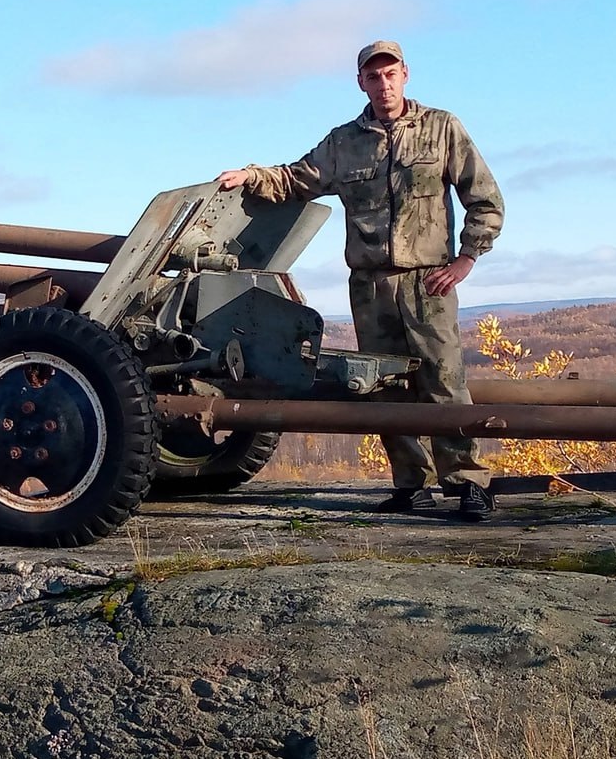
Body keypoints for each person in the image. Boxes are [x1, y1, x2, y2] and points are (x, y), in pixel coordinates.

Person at [216, 40, 504, 520]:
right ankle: (411, 484)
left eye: (390, 74)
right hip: (370, 286)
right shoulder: (345, 142)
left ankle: (468, 483)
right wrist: (249, 175)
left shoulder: (441, 128)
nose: (383, 83)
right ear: (361, 82)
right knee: (385, 387)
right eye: (374, 76)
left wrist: (466, 260)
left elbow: (486, 198)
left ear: (406, 74)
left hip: (427, 281)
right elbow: (296, 178)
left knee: (443, 381)